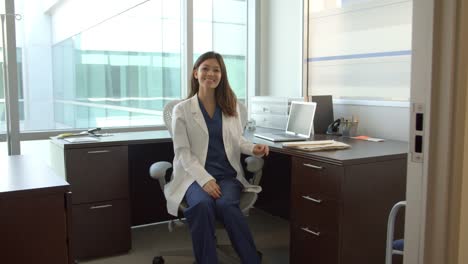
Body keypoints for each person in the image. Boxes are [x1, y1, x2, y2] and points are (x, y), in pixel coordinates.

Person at [164, 51, 269, 264]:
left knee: (226, 205)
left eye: (216, 70)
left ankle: (251, 260)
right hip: (194, 177)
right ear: (195, 73)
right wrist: (205, 180)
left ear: (222, 75)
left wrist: (253, 149)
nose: (211, 74)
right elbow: (183, 152)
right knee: (202, 206)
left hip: (227, 176)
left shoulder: (231, 106)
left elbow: (238, 141)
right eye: (205, 69)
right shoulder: (181, 110)